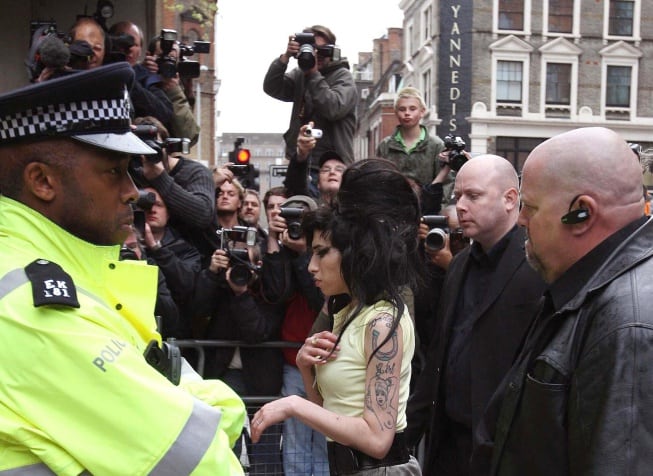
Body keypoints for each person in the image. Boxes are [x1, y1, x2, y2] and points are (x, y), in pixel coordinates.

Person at [0, 62, 245, 474]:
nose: (133, 191)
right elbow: (200, 460)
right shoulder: (29, 305)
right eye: (113, 171)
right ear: (42, 181)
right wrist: (202, 416)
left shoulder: (67, 277)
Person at [472, 127, 653, 475]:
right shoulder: (594, 289)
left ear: (581, 213)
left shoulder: (627, 326)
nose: (520, 220)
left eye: (530, 207)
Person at [252, 159, 423, 475]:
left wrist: (293, 404)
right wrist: (306, 369)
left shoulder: (383, 323)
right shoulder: (345, 313)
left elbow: (376, 439)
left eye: (321, 252)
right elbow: (331, 417)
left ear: (353, 253)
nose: (311, 266)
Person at [405, 155, 545, 475]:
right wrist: (406, 436)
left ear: (510, 199)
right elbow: (439, 356)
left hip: (505, 453)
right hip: (448, 447)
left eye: (473, 196)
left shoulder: (540, 265)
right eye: (457, 197)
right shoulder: (458, 265)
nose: (461, 206)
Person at [191, 236, 285, 475]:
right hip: (225, 375)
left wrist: (242, 294)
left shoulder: (268, 292)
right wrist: (212, 274)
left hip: (262, 381)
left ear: (259, 266)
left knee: (264, 453)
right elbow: (197, 309)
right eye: (236, 261)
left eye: (247, 262)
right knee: (225, 446)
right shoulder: (221, 286)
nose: (241, 268)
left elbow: (257, 332)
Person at [260, 191, 329, 475]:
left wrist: (305, 253)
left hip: (325, 360)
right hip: (292, 360)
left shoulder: (323, 255)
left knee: (325, 440)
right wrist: (275, 242)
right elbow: (276, 293)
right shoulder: (280, 251)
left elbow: (318, 299)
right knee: (297, 442)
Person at [263, 25, 357, 177]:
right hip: (301, 160)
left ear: (332, 51)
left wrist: (313, 74)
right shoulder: (301, 75)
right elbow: (272, 87)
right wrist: (285, 57)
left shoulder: (343, 76)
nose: (317, 54)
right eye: (312, 49)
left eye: (322, 50)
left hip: (333, 165)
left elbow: (334, 109)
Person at [130, 116, 219, 265]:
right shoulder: (133, 172)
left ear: (167, 146)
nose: (144, 155)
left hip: (196, 267)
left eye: (152, 146)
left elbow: (203, 214)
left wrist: (159, 177)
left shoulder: (195, 173)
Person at [140, 186, 202, 338]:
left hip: (173, 334)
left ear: (168, 214)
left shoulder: (186, 249)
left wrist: (156, 248)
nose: (152, 209)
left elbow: (186, 285)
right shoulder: (122, 242)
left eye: (159, 205)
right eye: (147, 204)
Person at [376, 87, 448, 204]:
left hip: (427, 211)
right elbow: (379, 181)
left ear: (422, 111)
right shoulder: (385, 146)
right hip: (393, 208)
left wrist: (438, 210)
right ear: (396, 112)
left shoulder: (436, 145)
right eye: (402, 109)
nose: (407, 113)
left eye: (412, 109)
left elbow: (446, 182)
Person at [284, 122, 346, 204]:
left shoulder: (358, 211)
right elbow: (295, 186)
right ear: (318, 184)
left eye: (339, 169)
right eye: (326, 170)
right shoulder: (311, 209)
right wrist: (302, 154)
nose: (332, 172)